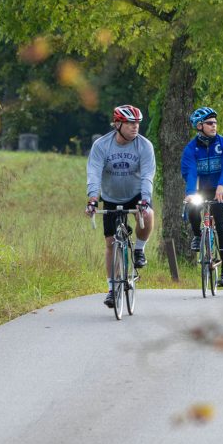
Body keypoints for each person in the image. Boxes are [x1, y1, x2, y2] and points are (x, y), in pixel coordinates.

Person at [85, 104, 157, 308]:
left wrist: (145, 199)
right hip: (111, 196)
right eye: (130, 123)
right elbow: (94, 172)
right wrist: (92, 198)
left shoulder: (144, 146)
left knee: (148, 214)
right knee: (110, 243)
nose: (135, 127)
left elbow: (147, 175)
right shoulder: (101, 145)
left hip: (136, 194)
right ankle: (111, 289)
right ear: (117, 124)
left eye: (137, 123)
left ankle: (140, 250)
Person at [181, 106, 223, 286]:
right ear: (199, 126)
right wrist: (190, 193)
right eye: (210, 123)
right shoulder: (191, 149)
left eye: (215, 122)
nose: (214, 125)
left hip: (220, 188)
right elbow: (189, 171)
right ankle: (198, 235)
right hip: (200, 189)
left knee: (222, 227)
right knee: (192, 206)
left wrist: (222, 185)